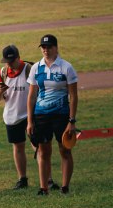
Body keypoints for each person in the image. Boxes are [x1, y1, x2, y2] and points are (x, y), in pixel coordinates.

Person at [26, 34, 79, 195]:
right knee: (43, 150)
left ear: (56, 47)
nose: (46, 50)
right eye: (43, 47)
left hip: (61, 115)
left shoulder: (66, 67)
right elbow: (32, 96)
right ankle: (44, 188)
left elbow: (74, 96)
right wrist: (30, 120)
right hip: (41, 115)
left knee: (65, 150)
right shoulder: (36, 67)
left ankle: (65, 187)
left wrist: (72, 121)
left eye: (49, 47)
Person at [0, 45, 33, 189]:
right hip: (12, 115)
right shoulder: (3, 72)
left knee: (38, 145)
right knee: (18, 147)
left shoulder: (30, 70)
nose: (9, 64)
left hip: (30, 114)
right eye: (7, 61)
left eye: (12, 61)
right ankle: (22, 179)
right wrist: (0, 91)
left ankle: (47, 179)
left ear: (18, 58)